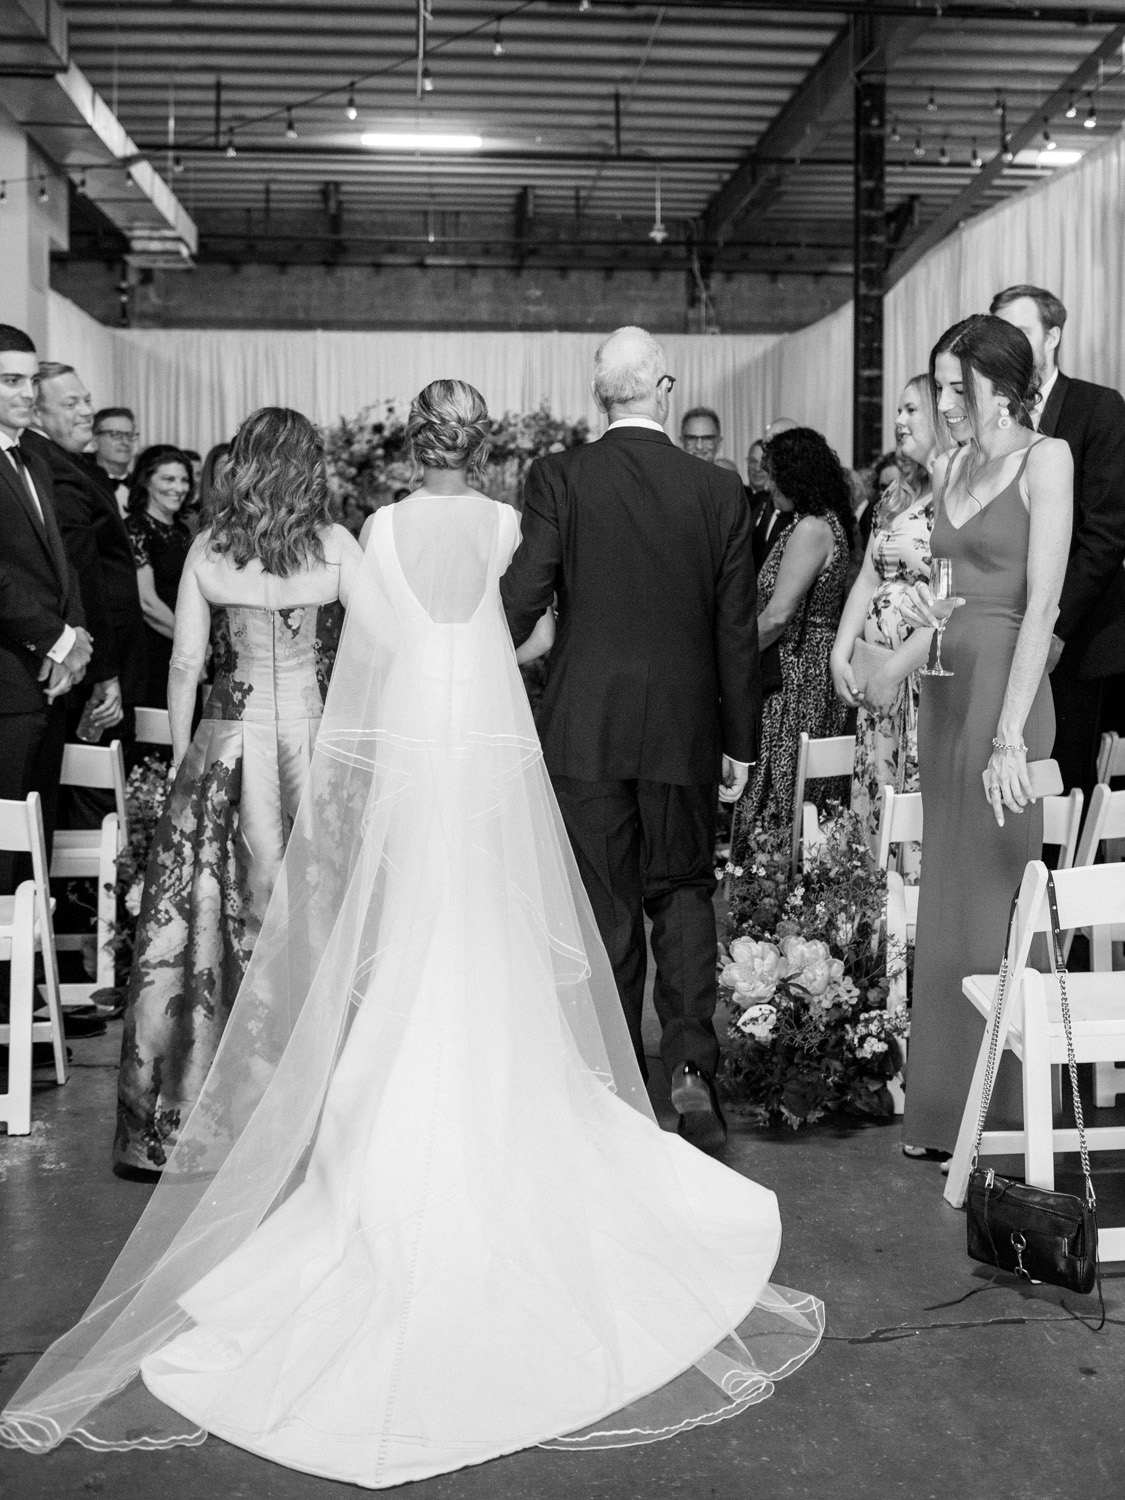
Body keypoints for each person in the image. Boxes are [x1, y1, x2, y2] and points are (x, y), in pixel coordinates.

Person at [0, 380, 821, 1481]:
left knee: (407, 939)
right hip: (486, 748)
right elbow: (530, 631)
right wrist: (488, 661)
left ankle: (380, 1148)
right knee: (498, 926)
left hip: (411, 753)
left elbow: (373, 657)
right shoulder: (506, 524)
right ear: (480, 448)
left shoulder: (378, 530)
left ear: (413, 449)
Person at [501, 328, 760, 1152]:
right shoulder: (719, 493)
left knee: (605, 899)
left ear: (598, 396)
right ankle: (688, 1068)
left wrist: (456, 654)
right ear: (665, 387)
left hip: (584, 724)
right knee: (682, 890)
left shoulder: (559, 476)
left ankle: (613, 1076)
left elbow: (522, 596)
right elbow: (735, 629)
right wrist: (740, 739)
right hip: (684, 723)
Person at [114, 408, 363, 1176]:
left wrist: (184, 760)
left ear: (243, 468)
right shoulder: (334, 545)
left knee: (208, 927)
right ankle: (327, 1104)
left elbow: (185, 664)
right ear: (308, 467)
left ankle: (198, 1107)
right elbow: (376, 649)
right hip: (317, 745)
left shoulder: (208, 548)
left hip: (227, 743)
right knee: (321, 911)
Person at [899, 314, 1072, 1161]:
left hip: (1008, 693)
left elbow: (1040, 602)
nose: (943, 403)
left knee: (998, 892)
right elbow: (940, 578)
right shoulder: (950, 462)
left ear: (998, 388)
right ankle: (938, 1110)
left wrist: (1010, 733)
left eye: (953, 387)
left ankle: (1007, 1113)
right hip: (943, 692)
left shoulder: (1047, 461)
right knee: (945, 892)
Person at [991, 284, 1125, 797]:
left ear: (1053, 337)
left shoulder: (1097, 407)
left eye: (1021, 331)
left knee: (1060, 783)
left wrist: (1054, 627)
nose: (1012, 345)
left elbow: (1106, 534)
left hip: (1074, 635)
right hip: (999, 627)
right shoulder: (994, 418)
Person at [831, 375, 940, 866]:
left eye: (912, 410)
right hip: (876, 676)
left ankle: (909, 924)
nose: (898, 421)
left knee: (909, 805)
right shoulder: (896, 495)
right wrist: (840, 652)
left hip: (920, 680)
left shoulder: (957, 497)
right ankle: (874, 924)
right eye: (898, 410)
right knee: (874, 797)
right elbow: (868, 580)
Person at [729, 426, 852, 850]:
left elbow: (779, 615)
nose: (768, 481)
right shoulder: (818, 522)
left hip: (798, 673)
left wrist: (730, 656)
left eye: (773, 473)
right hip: (806, 665)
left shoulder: (812, 529)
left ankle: (775, 888)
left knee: (782, 786)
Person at [0, 326, 91, 896]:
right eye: (10, 379)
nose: (26, 391)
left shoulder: (31, 457)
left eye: (30, 379)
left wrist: (75, 640)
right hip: (7, 680)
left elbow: (64, 561)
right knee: (3, 850)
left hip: (49, 681)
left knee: (38, 847)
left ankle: (26, 983)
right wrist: (56, 640)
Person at [24, 364, 146, 763]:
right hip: (90, 658)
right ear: (38, 414)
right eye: (71, 402)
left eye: (88, 400)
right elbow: (82, 573)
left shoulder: (68, 461)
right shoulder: (53, 469)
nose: (86, 411)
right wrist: (103, 672)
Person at [124, 447, 195, 708]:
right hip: (155, 651)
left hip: (185, 647)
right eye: (168, 479)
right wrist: (191, 644)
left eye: (184, 479)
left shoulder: (180, 531)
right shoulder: (135, 529)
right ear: (146, 481)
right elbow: (147, 603)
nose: (179, 487)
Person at [91, 407, 138, 517]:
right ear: (95, 441)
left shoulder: (142, 486)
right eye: (116, 435)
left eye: (130, 435)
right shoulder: (84, 487)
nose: (125, 442)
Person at [747, 437, 782, 572]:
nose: (757, 468)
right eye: (752, 461)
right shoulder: (744, 501)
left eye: (763, 463)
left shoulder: (784, 506)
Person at [680, 405, 741, 473]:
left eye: (707, 438)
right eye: (692, 438)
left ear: (719, 443)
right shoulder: (669, 478)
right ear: (682, 441)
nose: (699, 446)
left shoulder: (728, 479)